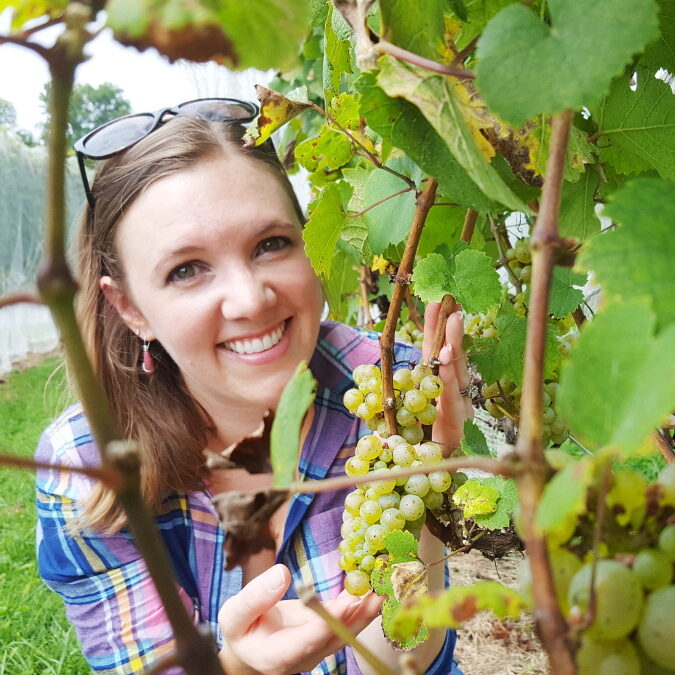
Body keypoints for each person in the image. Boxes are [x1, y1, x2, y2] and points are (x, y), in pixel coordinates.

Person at [35, 97, 471, 675]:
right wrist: (241, 667)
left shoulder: (390, 391)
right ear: (130, 308)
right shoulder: (84, 465)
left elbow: (408, 663)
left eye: (271, 244)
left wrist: (428, 481)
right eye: (186, 269)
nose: (250, 300)